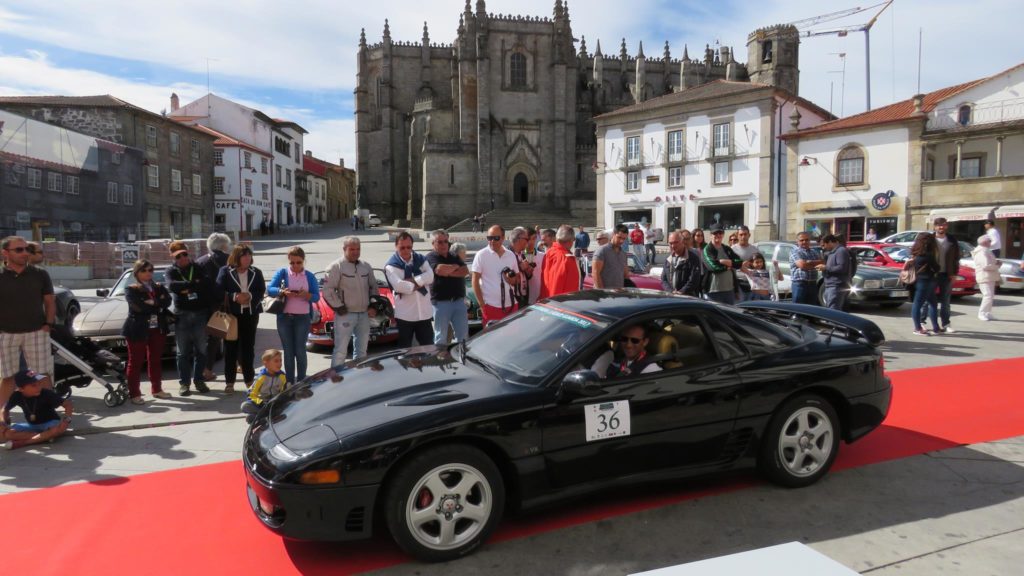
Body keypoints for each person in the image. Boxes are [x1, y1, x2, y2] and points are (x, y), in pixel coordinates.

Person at [0, 236, 56, 410]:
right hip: (5, 334)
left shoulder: (40, 274)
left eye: (26, 249)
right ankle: (3, 415)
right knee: (7, 377)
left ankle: (49, 412)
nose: (25, 253)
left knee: (42, 374)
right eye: (19, 250)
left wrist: (48, 324)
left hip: (36, 332)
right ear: (5, 253)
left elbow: (49, 301)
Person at [121, 260, 173, 404]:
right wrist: (158, 304)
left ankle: (157, 389)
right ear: (137, 272)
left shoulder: (158, 286)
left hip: (157, 328)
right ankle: (134, 393)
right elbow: (138, 307)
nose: (148, 273)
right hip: (137, 328)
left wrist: (154, 303)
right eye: (144, 270)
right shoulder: (131, 289)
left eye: (150, 270)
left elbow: (167, 301)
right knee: (135, 362)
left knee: (155, 360)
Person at [216, 245, 266, 393]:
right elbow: (218, 290)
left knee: (248, 348)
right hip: (232, 315)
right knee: (230, 348)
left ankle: (249, 379)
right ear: (237, 257)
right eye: (244, 256)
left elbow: (261, 290)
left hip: (250, 314)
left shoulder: (256, 272)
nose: (248, 259)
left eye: (249, 256)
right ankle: (229, 382)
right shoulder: (225, 271)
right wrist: (235, 296)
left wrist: (249, 296)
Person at [322, 236, 379, 363]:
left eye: (358, 249)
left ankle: (359, 378)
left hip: (364, 314)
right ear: (344, 249)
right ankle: (336, 380)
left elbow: (373, 287)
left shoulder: (366, 266)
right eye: (352, 249)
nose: (355, 252)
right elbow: (327, 290)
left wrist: (373, 306)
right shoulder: (336, 267)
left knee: (362, 351)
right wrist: (339, 307)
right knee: (341, 351)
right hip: (345, 315)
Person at [165, 241, 212, 396]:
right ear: (173, 257)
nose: (183, 258)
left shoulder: (198, 267)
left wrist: (186, 288)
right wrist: (193, 283)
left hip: (199, 314)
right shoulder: (171, 271)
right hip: (182, 315)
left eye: (185, 254)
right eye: (179, 256)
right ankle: (184, 384)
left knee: (201, 350)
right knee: (182, 352)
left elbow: (205, 284)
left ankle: (199, 380)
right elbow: (172, 286)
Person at [267, 247, 320, 383]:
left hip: (302, 318)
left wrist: (306, 295)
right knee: (288, 352)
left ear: (303, 261)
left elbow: (316, 297)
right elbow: (269, 289)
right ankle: (289, 382)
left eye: (299, 262)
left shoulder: (309, 275)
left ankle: (302, 381)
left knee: (300, 351)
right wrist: (282, 291)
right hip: (284, 318)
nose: (295, 266)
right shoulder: (283, 273)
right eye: (292, 263)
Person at [384, 232, 435, 347]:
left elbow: (431, 277)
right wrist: (421, 281)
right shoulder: (391, 265)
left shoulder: (421, 259)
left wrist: (411, 281)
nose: (406, 250)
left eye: (409, 247)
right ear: (396, 246)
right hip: (405, 316)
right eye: (402, 247)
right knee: (404, 350)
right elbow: (400, 286)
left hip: (424, 314)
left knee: (428, 348)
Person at [1, 369, 72, 450]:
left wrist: (67, 420)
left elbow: (68, 404)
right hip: (32, 426)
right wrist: (4, 422)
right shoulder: (16, 396)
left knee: (55, 430)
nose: (39, 387)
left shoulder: (46, 393)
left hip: (50, 423)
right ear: (21, 389)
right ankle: (44, 437)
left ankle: (23, 443)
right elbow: (4, 409)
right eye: (33, 385)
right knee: (8, 433)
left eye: (39, 383)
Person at [196, 232, 231, 382]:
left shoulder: (200, 261)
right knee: (217, 339)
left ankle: (202, 370)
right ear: (224, 245)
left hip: (201, 306)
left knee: (201, 340)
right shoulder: (229, 260)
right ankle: (208, 369)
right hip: (222, 305)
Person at [471, 225, 521, 327]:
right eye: (489, 238)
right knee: (491, 339)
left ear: (503, 238)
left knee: (512, 339)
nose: (492, 241)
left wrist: (511, 280)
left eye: (496, 238)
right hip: (491, 307)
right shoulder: (481, 255)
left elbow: (518, 279)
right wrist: (482, 305)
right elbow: (475, 281)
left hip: (511, 305)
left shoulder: (510, 255)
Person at [425, 230, 469, 345]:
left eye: (446, 241)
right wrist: (455, 267)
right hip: (441, 304)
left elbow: (465, 271)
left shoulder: (454, 255)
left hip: (459, 302)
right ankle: (440, 362)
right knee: (441, 338)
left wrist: (448, 271)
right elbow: (439, 269)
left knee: (464, 337)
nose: (444, 245)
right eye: (440, 242)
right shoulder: (430, 257)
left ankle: (462, 361)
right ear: (433, 244)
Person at [592, 325, 662, 379]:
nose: (628, 345)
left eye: (635, 341)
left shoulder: (651, 369)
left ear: (645, 342)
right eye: (624, 339)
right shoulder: (618, 361)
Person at [240, 349, 288, 424]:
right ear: (266, 363)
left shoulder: (282, 376)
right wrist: (261, 403)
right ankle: (268, 417)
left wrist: (278, 400)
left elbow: (284, 392)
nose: (280, 363)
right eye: (276, 361)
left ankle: (260, 418)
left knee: (287, 406)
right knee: (245, 406)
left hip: (274, 404)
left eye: (280, 360)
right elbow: (251, 394)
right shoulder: (261, 377)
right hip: (262, 405)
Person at [932, 217, 962, 334]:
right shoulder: (930, 239)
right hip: (932, 274)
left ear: (946, 226)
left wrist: (955, 273)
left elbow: (956, 258)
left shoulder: (952, 239)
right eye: (939, 225)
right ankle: (922, 323)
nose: (941, 227)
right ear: (935, 227)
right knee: (928, 301)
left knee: (946, 301)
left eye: (944, 225)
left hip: (946, 274)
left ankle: (946, 324)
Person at [908, 232, 941, 336]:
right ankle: (919, 328)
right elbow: (937, 267)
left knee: (924, 303)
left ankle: (933, 327)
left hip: (920, 280)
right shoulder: (928, 254)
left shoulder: (915, 253)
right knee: (925, 304)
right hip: (927, 281)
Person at [702, 225, 743, 305]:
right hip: (713, 291)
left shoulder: (726, 248)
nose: (718, 235)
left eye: (720, 233)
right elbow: (713, 267)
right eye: (715, 233)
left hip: (729, 290)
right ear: (711, 235)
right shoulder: (707, 249)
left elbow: (739, 262)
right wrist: (729, 266)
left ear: (723, 234)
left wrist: (725, 261)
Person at [540, 225, 581, 299]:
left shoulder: (549, 252)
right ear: (570, 240)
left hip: (548, 300)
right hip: (563, 303)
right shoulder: (566, 259)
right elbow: (557, 285)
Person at [817, 234, 854, 311]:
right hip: (830, 285)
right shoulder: (831, 252)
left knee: (833, 311)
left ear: (830, 242)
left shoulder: (841, 251)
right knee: (830, 309)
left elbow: (842, 268)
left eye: (824, 245)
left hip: (836, 286)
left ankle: (832, 323)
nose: (823, 248)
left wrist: (825, 268)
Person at [661, 231, 702, 297]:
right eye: (670, 243)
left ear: (682, 242)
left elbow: (694, 280)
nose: (673, 245)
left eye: (676, 242)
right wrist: (670, 291)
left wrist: (681, 292)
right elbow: (663, 279)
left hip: (688, 298)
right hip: (671, 297)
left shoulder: (693, 258)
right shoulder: (668, 258)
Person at [789, 232, 824, 306]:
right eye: (802, 240)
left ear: (809, 241)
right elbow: (802, 265)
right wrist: (813, 263)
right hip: (800, 284)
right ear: (797, 241)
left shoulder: (814, 252)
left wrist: (809, 262)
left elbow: (822, 262)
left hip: (813, 284)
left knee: (811, 309)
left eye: (807, 240)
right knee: (798, 309)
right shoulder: (794, 251)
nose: (804, 242)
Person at [972, 235, 1000, 321]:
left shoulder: (985, 250)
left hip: (989, 276)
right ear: (985, 242)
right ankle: (982, 313)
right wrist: (997, 265)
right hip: (984, 276)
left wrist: (996, 263)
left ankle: (987, 312)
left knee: (990, 295)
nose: (990, 243)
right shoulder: (981, 251)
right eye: (989, 241)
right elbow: (985, 266)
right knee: (987, 295)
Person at [593, 224, 630, 289]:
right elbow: (595, 274)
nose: (621, 241)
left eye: (624, 239)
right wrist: (602, 293)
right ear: (613, 234)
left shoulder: (623, 254)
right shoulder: (602, 251)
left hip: (619, 295)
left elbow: (626, 275)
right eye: (619, 237)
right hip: (604, 295)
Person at [508, 227, 536, 307]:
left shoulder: (522, 254)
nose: (528, 242)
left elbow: (526, 276)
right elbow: (505, 274)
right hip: (513, 297)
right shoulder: (507, 254)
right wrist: (520, 268)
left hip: (523, 295)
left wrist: (528, 272)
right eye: (526, 239)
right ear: (519, 239)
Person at [730, 226, 759, 301]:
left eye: (745, 234)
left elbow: (760, 265)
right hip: (738, 283)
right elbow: (729, 267)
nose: (743, 237)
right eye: (741, 234)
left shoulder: (755, 250)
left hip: (753, 283)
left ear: (749, 235)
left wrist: (752, 264)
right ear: (737, 235)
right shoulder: (732, 250)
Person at [528, 229, 556, 304]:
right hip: (524, 299)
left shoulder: (543, 256)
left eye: (533, 239)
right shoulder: (518, 256)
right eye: (528, 239)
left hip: (542, 298)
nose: (530, 242)